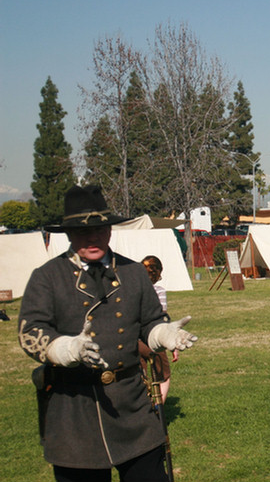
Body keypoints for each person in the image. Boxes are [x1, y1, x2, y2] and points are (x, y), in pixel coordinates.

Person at [17, 185, 198, 482]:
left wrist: (163, 334)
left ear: (110, 231)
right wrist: (66, 349)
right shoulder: (47, 277)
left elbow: (150, 321)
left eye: (100, 230)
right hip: (74, 409)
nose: (93, 238)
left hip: (131, 407)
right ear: (68, 235)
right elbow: (30, 331)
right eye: (82, 232)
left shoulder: (133, 273)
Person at [138, 255, 178, 401]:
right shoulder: (159, 291)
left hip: (134, 339)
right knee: (163, 375)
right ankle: (158, 409)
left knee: (139, 376)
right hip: (153, 339)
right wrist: (172, 344)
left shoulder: (132, 290)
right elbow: (161, 318)